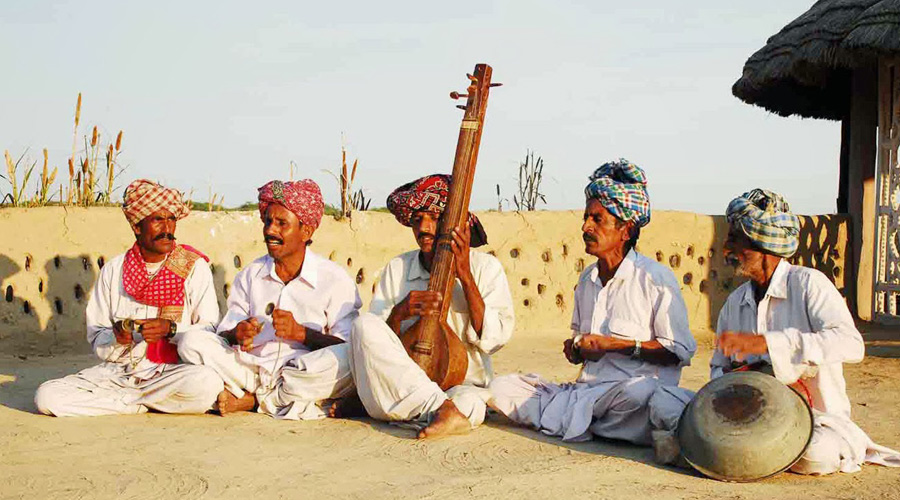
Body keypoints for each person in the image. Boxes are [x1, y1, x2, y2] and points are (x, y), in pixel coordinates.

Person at [654, 189, 900, 474]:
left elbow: (851, 344)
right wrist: (735, 379)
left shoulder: (809, 284)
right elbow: (718, 368)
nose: (725, 249)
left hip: (811, 417)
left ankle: (708, 453)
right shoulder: (735, 303)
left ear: (763, 244)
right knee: (662, 400)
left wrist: (768, 345)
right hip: (742, 415)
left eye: (735, 239)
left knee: (816, 453)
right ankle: (742, 453)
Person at [489, 159, 696, 448]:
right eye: (587, 217)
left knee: (644, 394)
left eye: (597, 219)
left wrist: (615, 345)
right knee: (501, 387)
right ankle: (592, 423)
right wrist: (575, 349)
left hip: (628, 395)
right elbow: (581, 347)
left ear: (625, 229)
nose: (585, 227)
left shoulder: (655, 278)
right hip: (586, 392)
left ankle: (578, 420)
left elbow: (680, 352)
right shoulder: (588, 279)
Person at [335, 174, 515, 438]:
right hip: (404, 383)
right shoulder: (398, 269)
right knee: (364, 325)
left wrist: (464, 275)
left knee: (471, 402)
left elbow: (495, 340)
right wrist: (399, 313)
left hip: (462, 385)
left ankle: (429, 410)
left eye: (434, 218)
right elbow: (377, 345)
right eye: (417, 220)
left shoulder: (487, 268)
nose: (424, 228)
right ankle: (436, 410)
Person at [35, 180, 222, 416]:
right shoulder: (114, 270)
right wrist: (117, 336)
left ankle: (122, 403)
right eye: (157, 220)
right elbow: (97, 334)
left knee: (207, 383)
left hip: (172, 371)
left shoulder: (193, 267)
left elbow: (210, 330)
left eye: (171, 219)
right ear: (136, 226)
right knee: (47, 397)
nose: (167, 228)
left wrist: (171, 329)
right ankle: (140, 402)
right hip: (119, 372)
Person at [178, 179, 361, 418]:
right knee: (191, 341)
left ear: (306, 231)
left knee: (348, 361)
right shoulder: (251, 275)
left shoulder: (334, 279)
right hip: (250, 371)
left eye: (281, 223)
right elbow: (223, 335)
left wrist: (302, 334)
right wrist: (238, 333)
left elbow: (346, 347)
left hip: (300, 373)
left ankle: (254, 401)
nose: (270, 230)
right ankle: (277, 400)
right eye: (267, 221)